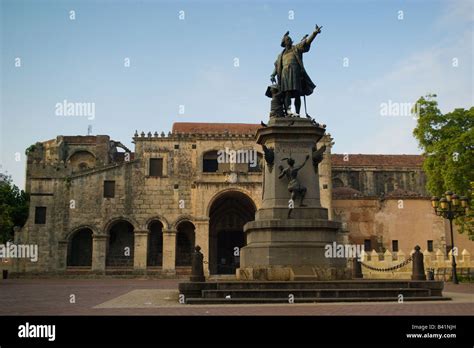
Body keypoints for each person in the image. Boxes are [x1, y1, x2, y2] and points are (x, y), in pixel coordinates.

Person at [271, 25, 322, 116]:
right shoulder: (281, 55)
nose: (290, 40)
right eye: (288, 39)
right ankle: (288, 111)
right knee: (287, 93)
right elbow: (277, 65)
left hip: (295, 73)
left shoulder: (296, 49)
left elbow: (306, 43)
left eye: (290, 39)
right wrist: (272, 74)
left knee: (297, 93)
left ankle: (297, 112)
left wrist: (314, 33)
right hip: (285, 75)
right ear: (284, 43)